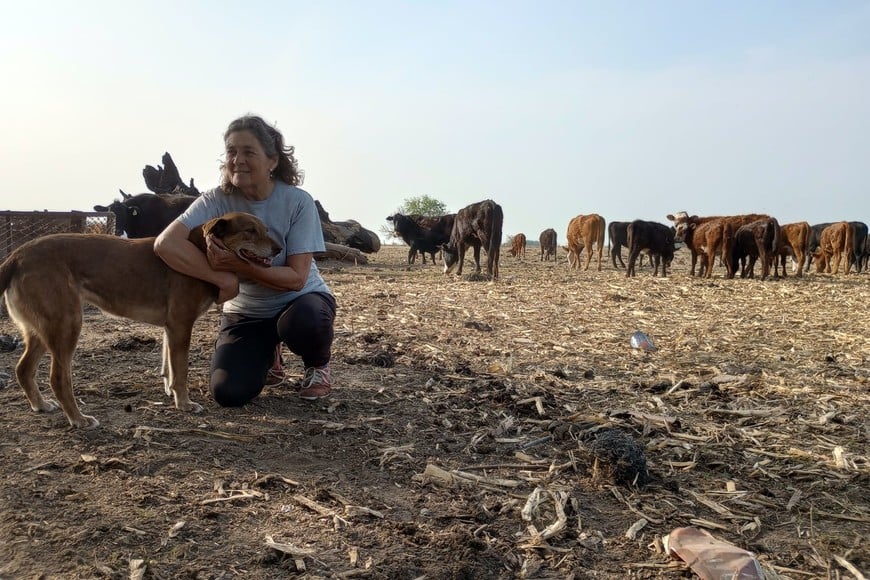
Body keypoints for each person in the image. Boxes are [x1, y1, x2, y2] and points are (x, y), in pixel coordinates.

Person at [154, 114, 337, 406]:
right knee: (228, 393)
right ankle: (269, 356)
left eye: (248, 152)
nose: (237, 160)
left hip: (299, 301)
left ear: (273, 161)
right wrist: (220, 278)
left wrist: (238, 267)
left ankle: (318, 367)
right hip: (246, 311)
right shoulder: (215, 200)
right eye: (231, 152)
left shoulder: (298, 201)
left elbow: (296, 278)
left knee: (306, 321)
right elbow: (166, 243)